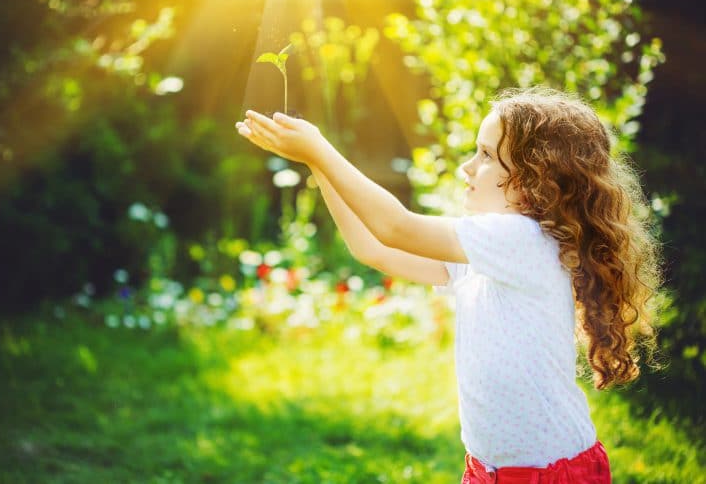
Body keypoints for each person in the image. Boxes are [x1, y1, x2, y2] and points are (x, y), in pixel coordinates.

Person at [235, 86, 664, 483]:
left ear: (537, 180)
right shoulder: (487, 252)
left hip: (549, 474)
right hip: (489, 470)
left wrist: (322, 151)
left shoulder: (523, 242)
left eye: (486, 156)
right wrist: (315, 163)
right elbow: (373, 248)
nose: (468, 166)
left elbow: (395, 227)